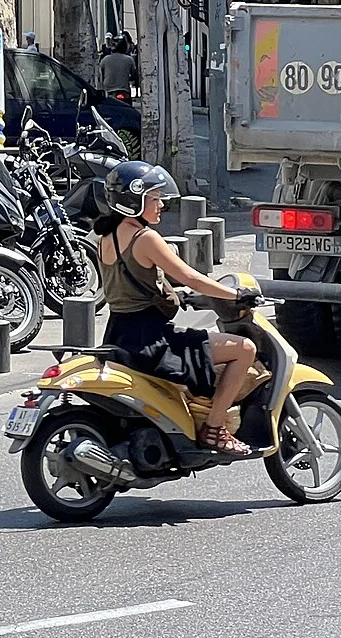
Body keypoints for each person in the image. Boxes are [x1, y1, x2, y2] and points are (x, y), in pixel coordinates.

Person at [95, 161, 258, 456]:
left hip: (119, 335)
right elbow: (192, 277)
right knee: (244, 349)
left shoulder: (105, 238)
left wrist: (177, 295)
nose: (161, 204)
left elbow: (135, 286)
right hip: (152, 340)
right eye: (154, 198)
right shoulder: (145, 238)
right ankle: (215, 428)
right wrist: (235, 295)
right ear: (134, 201)